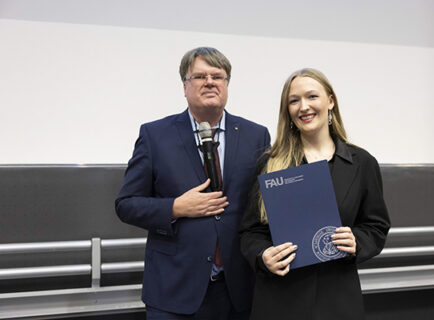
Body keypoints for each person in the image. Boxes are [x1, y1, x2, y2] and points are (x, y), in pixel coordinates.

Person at [115, 47, 270, 319]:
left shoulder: (256, 135)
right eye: (199, 76)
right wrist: (175, 207)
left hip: (238, 290)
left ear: (226, 84)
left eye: (218, 76)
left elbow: (264, 205)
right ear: (185, 87)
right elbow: (126, 205)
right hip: (174, 290)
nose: (209, 82)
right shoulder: (155, 135)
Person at [239, 68, 390, 319]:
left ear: (330, 101)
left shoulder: (362, 163)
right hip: (280, 300)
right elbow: (250, 231)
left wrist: (357, 241)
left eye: (312, 97)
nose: (303, 107)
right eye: (294, 100)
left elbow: (376, 226)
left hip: (337, 299)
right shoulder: (270, 163)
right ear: (287, 110)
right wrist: (263, 255)